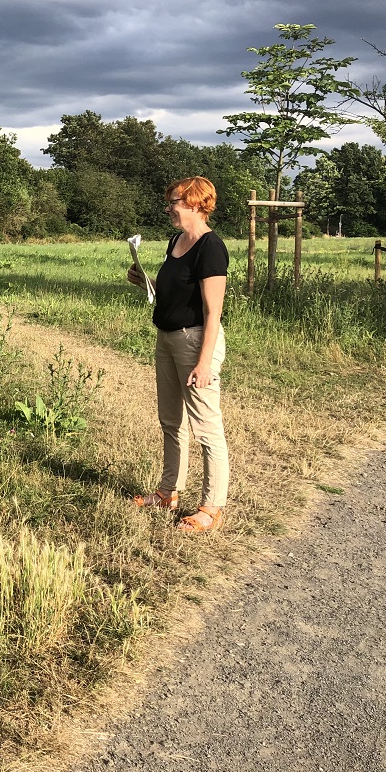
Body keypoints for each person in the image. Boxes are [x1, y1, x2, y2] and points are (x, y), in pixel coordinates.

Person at [127, 176, 230, 533]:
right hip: (167, 339)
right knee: (171, 421)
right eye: (170, 201)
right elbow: (173, 294)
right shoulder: (176, 240)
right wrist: (145, 282)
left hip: (195, 342)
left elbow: (212, 311)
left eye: (174, 201)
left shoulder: (210, 247)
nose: (169, 207)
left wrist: (204, 363)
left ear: (197, 204)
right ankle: (168, 492)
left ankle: (212, 507)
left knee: (206, 427)